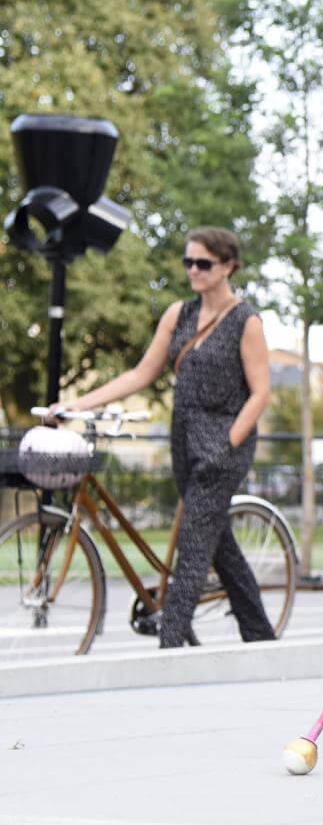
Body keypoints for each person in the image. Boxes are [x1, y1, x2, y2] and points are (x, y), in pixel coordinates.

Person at [50, 227, 275, 649]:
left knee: (192, 542)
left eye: (203, 263)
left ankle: (169, 644)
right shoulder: (179, 315)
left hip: (224, 441)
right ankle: (260, 635)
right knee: (212, 537)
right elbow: (141, 373)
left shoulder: (247, 322)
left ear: (228, 266)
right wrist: (79, 404)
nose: (193, 270)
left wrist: (228, 442)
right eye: (188, 262)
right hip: (183, 436)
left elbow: (261, 393)